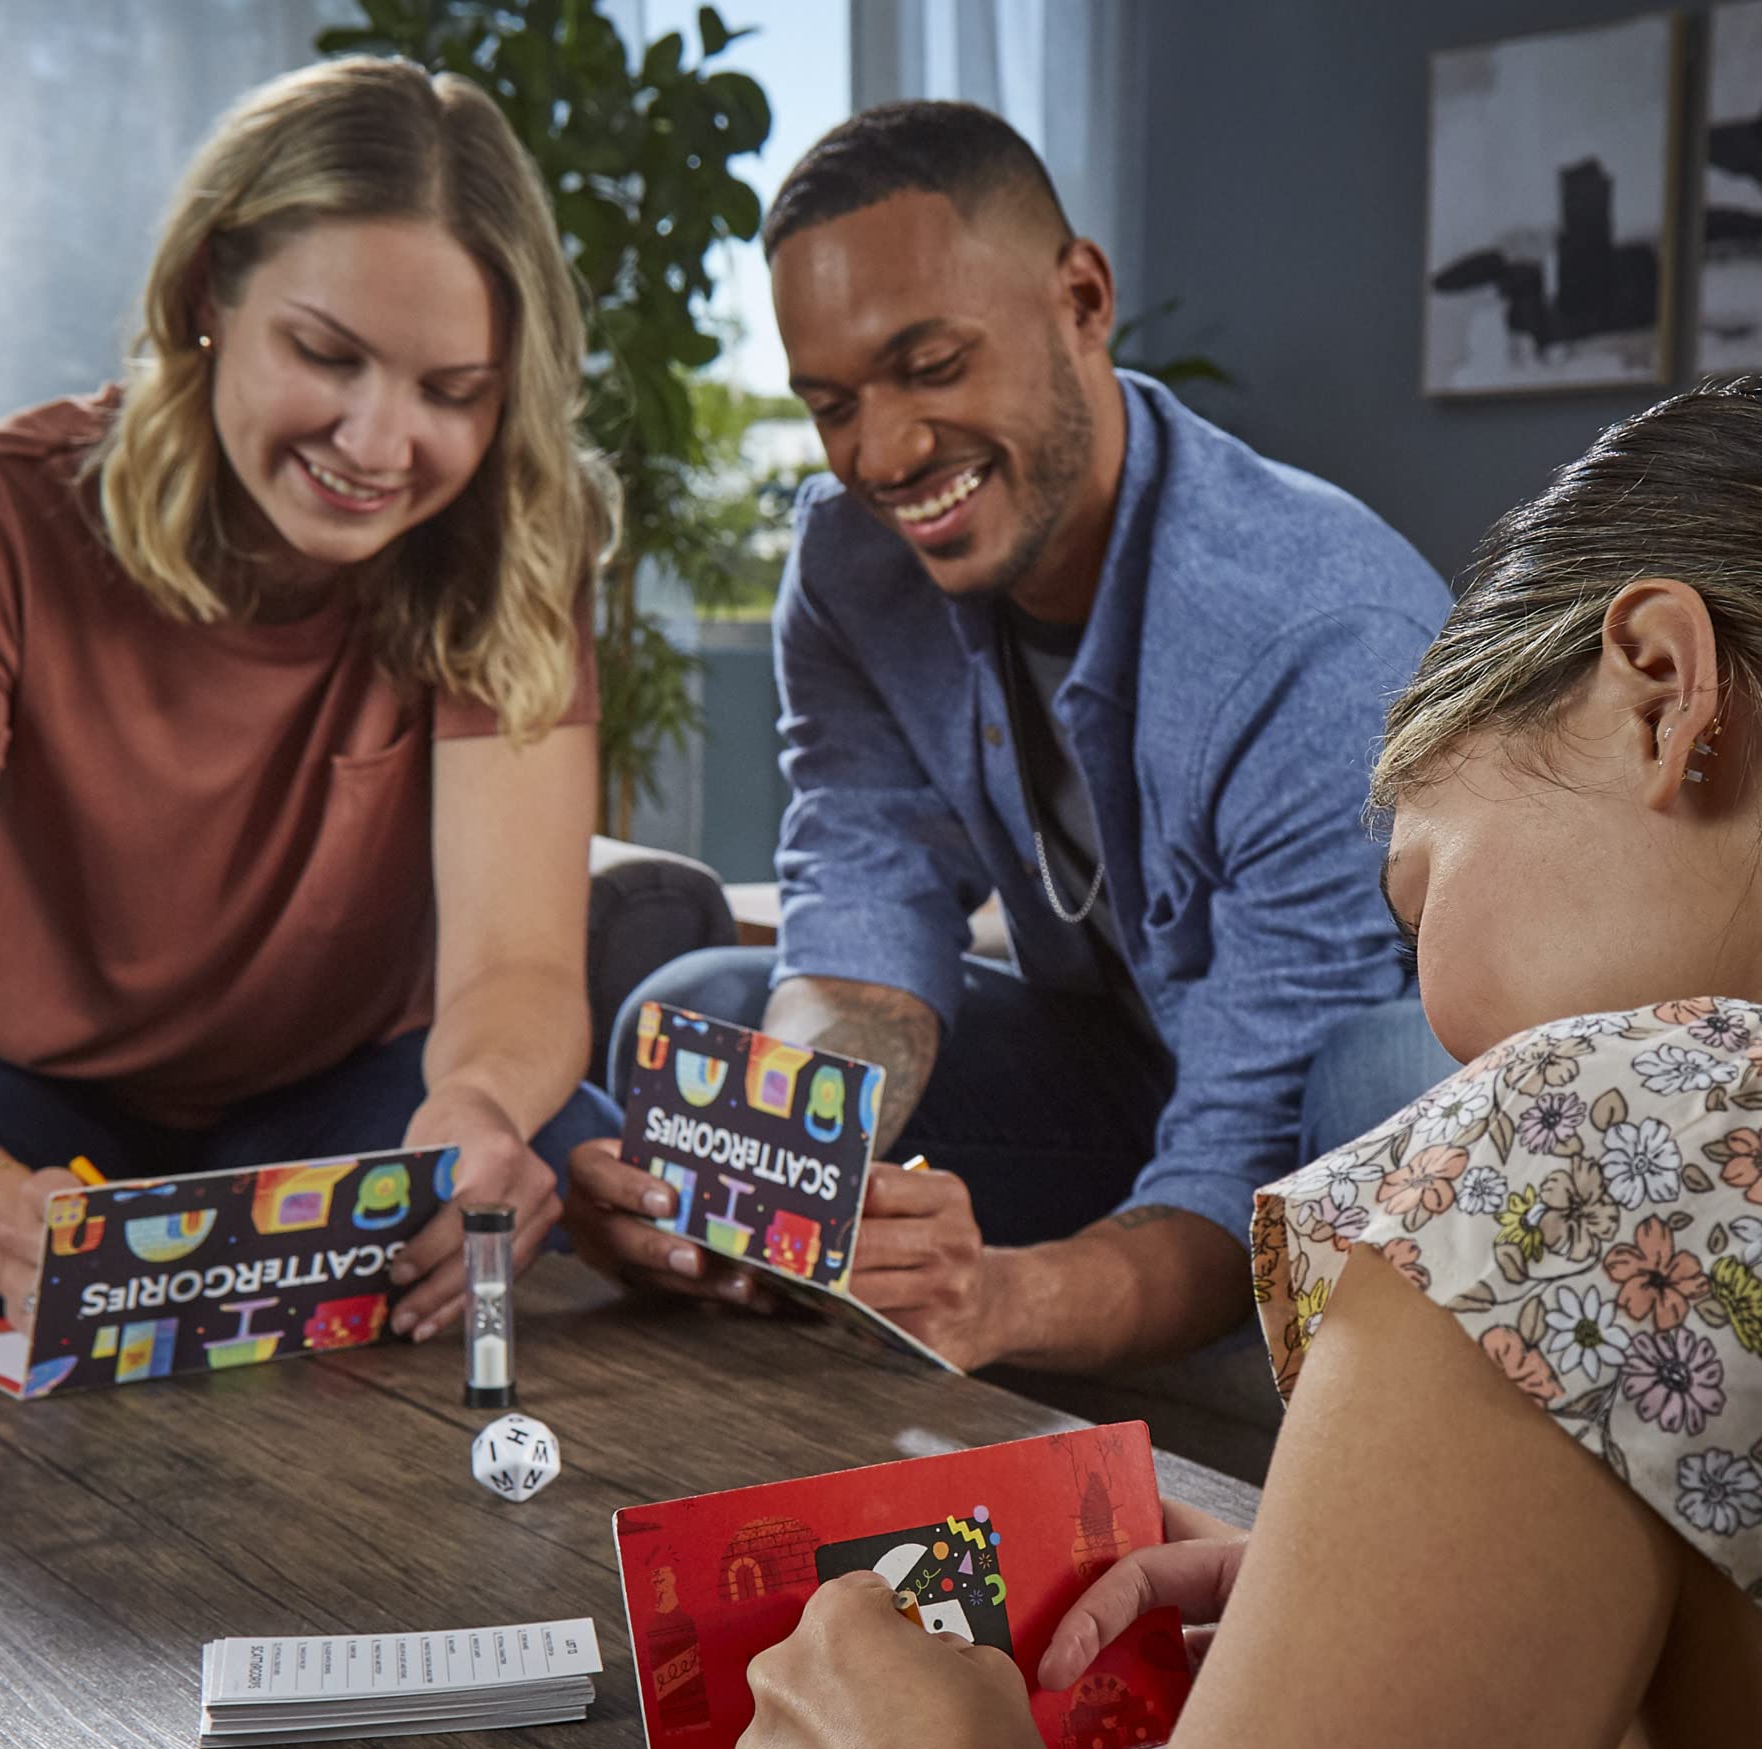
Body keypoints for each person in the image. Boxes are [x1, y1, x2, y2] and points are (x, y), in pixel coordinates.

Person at [732, 379, 1762, 1749]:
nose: (1434, 1006)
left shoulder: (1585, 1145)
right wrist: (1394, 1605)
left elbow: (1261, 1121)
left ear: (1659, 690)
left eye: (1417, 896)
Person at [565, 101, 1454, 1376]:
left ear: (1081, 298)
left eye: (930, 367)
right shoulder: (847, 565)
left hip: (1335, 1124)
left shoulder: (1312, 636)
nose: (880, 454)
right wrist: (773, 1170)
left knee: (1375, 1069)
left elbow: (1251, 1162)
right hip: (1113, 1063)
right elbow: (864, 898)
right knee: (697, 1011)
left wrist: (999, 1301)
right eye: (830, 403)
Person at [0, 57, 620, 1352]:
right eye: (326, 355)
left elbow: (518, 969)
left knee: (561, 1145)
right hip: (9, 1105)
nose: (380, 447)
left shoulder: (509, 548)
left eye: (454, 393)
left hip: (339, 1107)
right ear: (209, 291)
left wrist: (483, 1108)